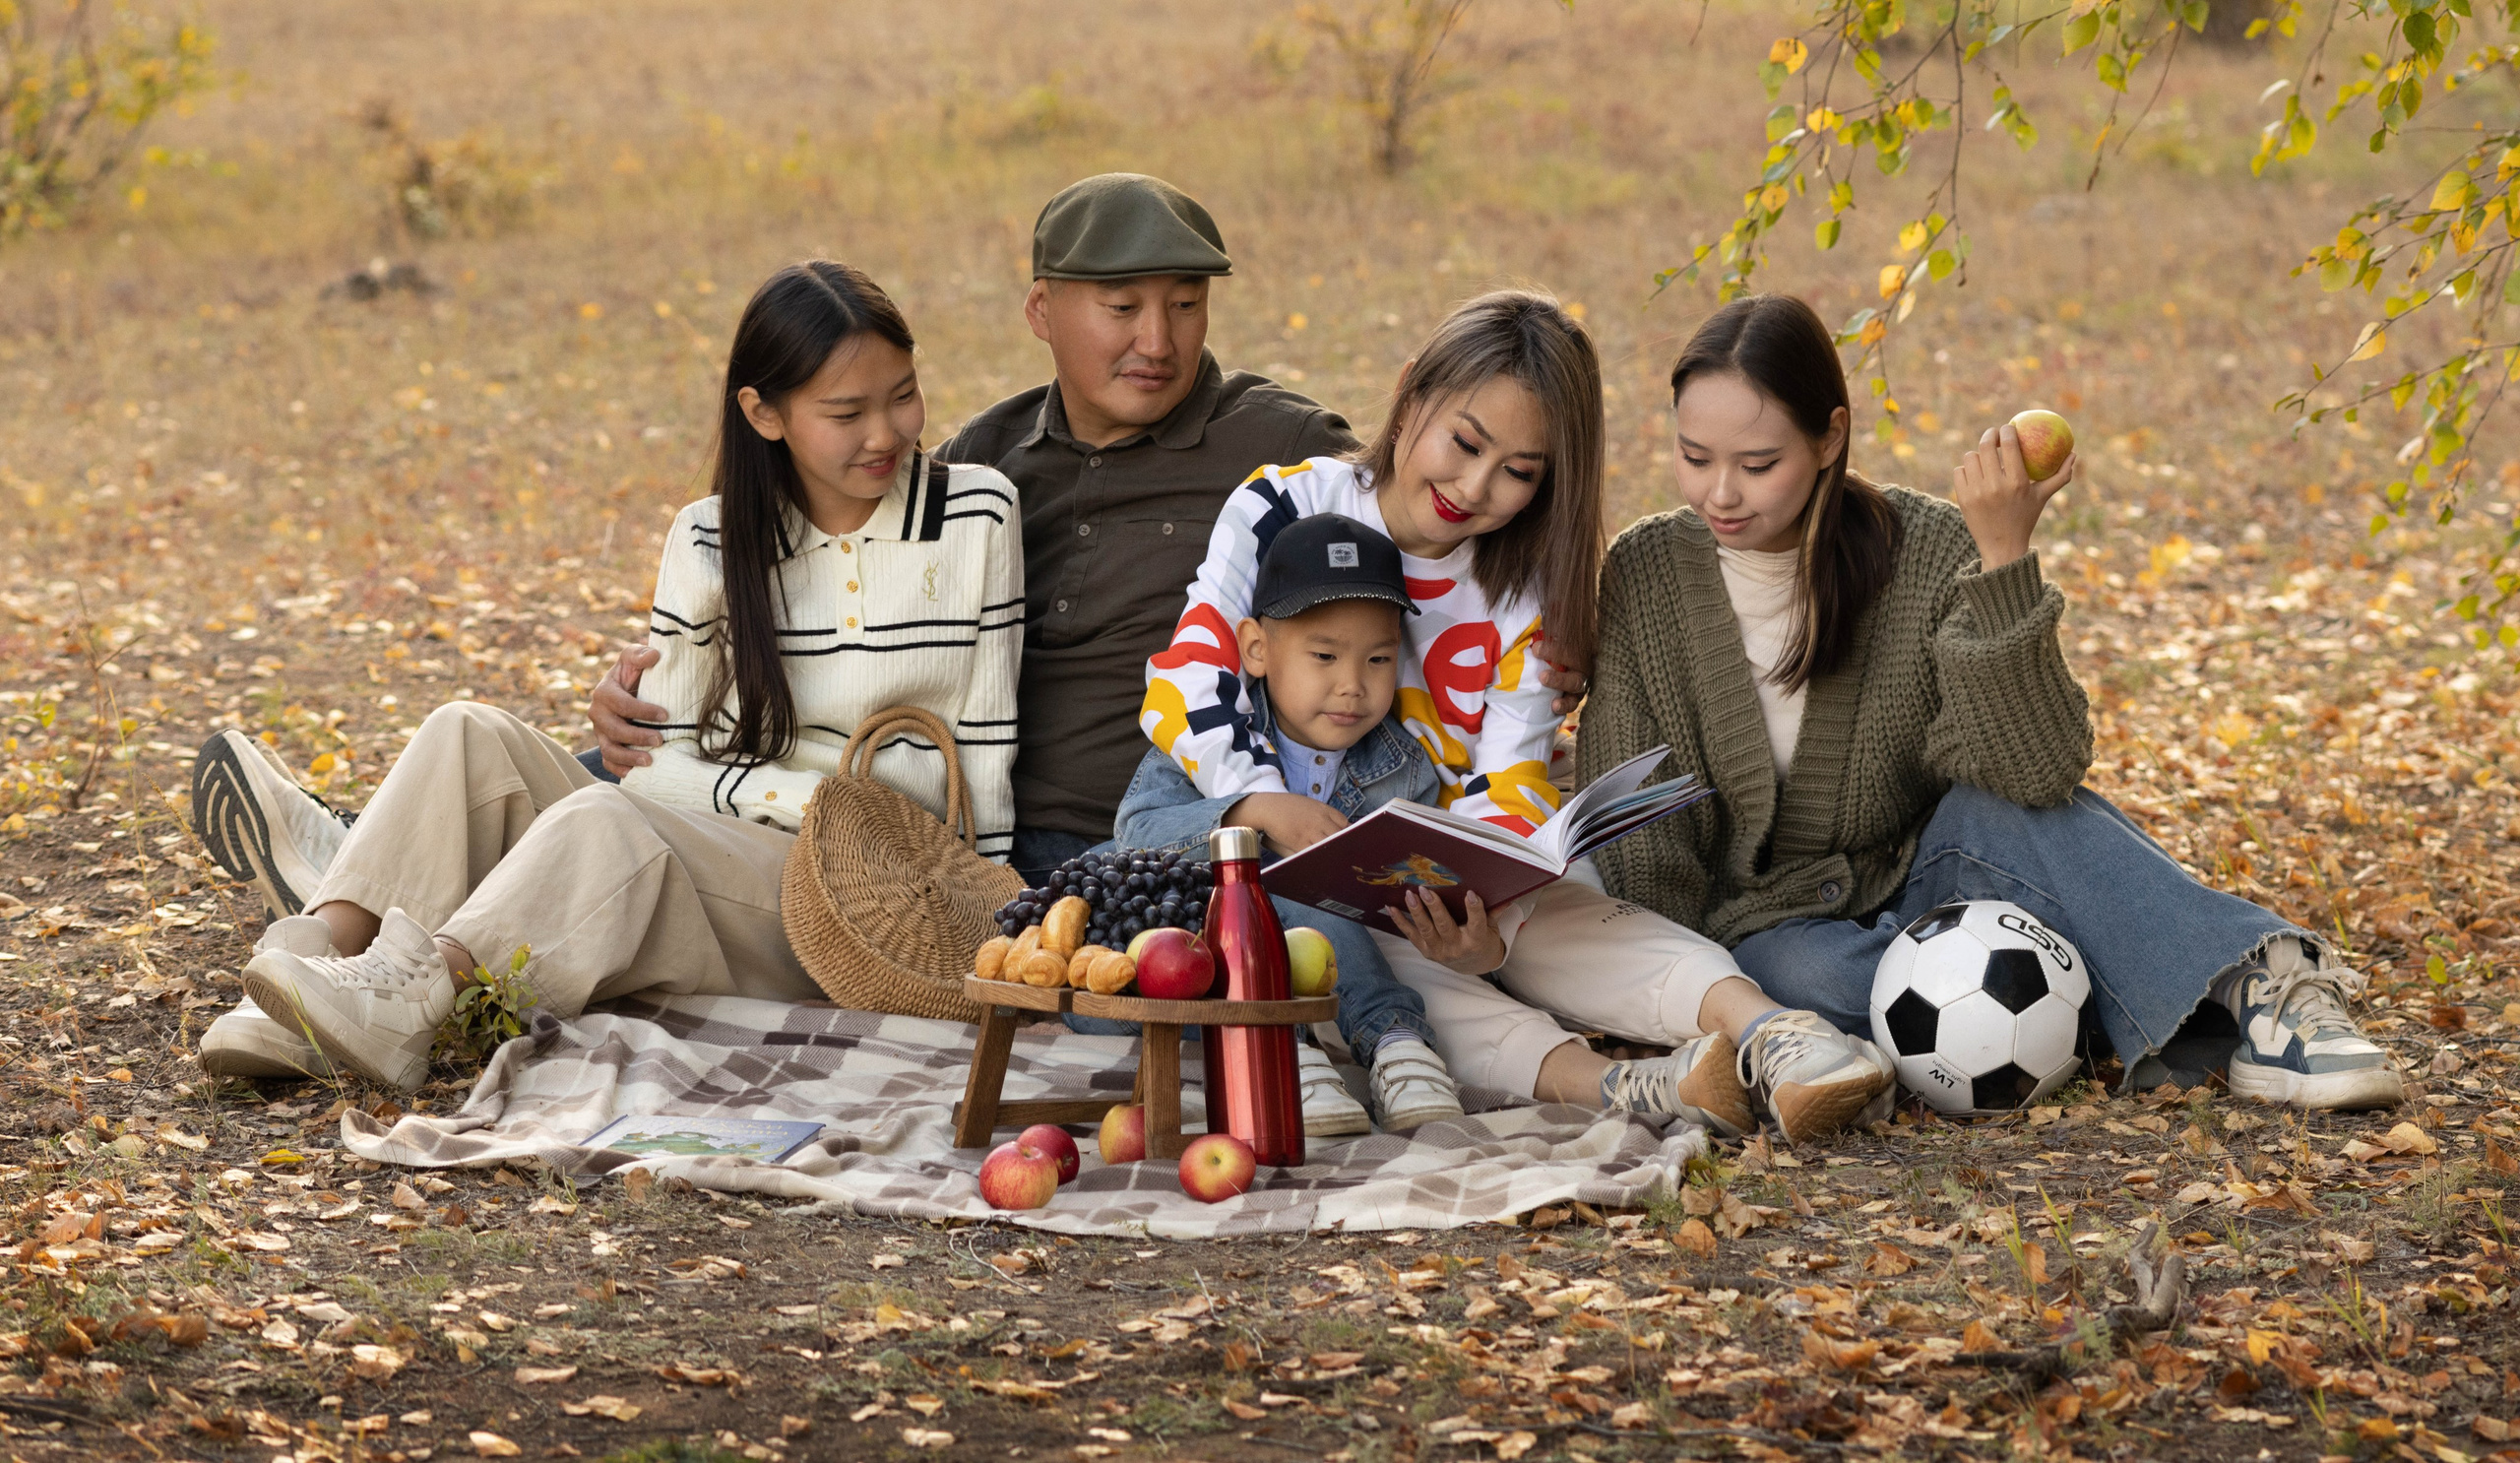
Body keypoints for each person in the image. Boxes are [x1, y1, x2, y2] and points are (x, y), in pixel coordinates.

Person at [198, 260, 1025, 1089]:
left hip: (856, 901)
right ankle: (306, 975)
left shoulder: (977, 515)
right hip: (708, 841)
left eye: (903, 396)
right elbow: (658, 764)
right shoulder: (708, 539)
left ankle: (413, 1002)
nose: (885, 433)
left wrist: (979, 925)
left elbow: (980, 754)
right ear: (764, 414)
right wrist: (693, 779)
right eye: (846, 412)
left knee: (606, 820)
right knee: (467, 733)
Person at [1577, 291, 2402, 1112]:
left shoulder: (1928, 546)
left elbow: (2036, 770)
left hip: (1925, 867)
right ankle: (2118, 997)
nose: (1720, 492)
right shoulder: (1646, 575)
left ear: (1830, 437)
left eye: (1758, 465)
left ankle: (2260, 986)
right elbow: (1643, 830)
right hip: (1774, 927)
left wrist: (2005, 556)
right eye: (1693, 456)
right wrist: (1671, 998)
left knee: (2032, 818)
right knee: (1807, 978)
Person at [1149, 290, 1899, 1144]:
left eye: (1519, 472)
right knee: (1373, 963)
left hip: (1429, 859)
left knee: (1551, 915)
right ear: (1410, 397)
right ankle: (1627, 1087)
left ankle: (1773, 1033)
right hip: (1279, 853)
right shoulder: (1286, 508)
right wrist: (1258, 802)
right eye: (1465, 443)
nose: (1475, 487)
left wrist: (1486, 922)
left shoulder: (1524, 587)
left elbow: (1511, 774)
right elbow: (1190, 680)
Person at [1107, 513, 1462, 1134]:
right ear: (1257, 649)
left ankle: (1393, 1048)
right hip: (1197, 954)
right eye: (1324, 655)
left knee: (1305, 891)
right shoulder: (1208, 736)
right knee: (1256, 880)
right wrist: (1252, 812)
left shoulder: (1403, 768)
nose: (1352, 686)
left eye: (1378, 659)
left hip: (1334, 972)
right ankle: (1311, 1043)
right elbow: (1136, 836)